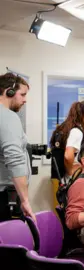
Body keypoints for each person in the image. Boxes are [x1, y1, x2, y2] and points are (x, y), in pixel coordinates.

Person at [0, 72, 35, 222]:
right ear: (10, 92)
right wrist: (25, 199)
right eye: (22, 95)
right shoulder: (8, 116)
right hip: (5, 197)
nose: (25, 100)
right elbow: (14, 159)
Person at [50, 100, 84, 179]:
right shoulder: (77, 132)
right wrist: (70, 173)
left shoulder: (80, 130)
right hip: (69, 180)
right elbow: (68, 156)